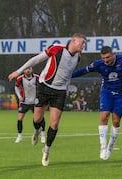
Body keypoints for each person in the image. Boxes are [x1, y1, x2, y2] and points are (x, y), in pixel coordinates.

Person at [8, 33, 87, 166]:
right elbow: (36, 60)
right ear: (73, 41)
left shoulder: (78, 57)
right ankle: (37, 130)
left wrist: (66, 87)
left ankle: (46, 150)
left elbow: (68, 74)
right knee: (37, 119)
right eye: (82, 43)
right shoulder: (56, 49)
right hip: (44, 87)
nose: (84, 45)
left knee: (54, 124)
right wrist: (18, 71)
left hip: (60, 92)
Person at [72, 46, 122, 160]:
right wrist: (68, 76)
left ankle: (110, 145)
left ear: (113, 54)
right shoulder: (99, 64)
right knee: (104, 116)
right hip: (107, 92)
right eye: (103, 58)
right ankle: (103, 146)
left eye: (108, 57)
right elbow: (83, 71)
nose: (106, 60)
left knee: (116, 120)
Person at [14, 67, 45, 143]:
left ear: (32, 70)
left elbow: (43, 86)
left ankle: (43, 135)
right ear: (24, 70)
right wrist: (20, 97)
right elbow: (16, 87)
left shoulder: (37, 77)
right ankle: (19, 136)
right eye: (26, 69)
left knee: (39, 119)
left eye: (29, 69)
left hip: (35, 102)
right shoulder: (20, 79)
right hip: (25, 102)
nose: (28, 70)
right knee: (20, 119)